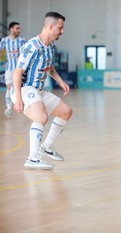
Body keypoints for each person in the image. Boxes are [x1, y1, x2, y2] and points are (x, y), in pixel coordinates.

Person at [11, 12, 73, 170]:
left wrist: (60, 81)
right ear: (50, 27)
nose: (62, 31)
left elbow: (49, 67)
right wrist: (18, 98)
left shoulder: (51, 46)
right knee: (41, 116)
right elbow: (17, 72)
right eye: (60, 27)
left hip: (39, 90)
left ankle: (46, 147)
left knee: (66, 111)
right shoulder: (31, 46)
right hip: (24, 89)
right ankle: (32, 158)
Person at [0, 22, 26, 118]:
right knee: (9, 88)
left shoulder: (22, 40)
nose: (19, 30)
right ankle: (9, 108)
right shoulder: (5, 40)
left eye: (19, 28)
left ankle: (24, 107)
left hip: (20, 69)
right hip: (10, 69)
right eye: (17, 28)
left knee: (22, 88)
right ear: (11, 29)